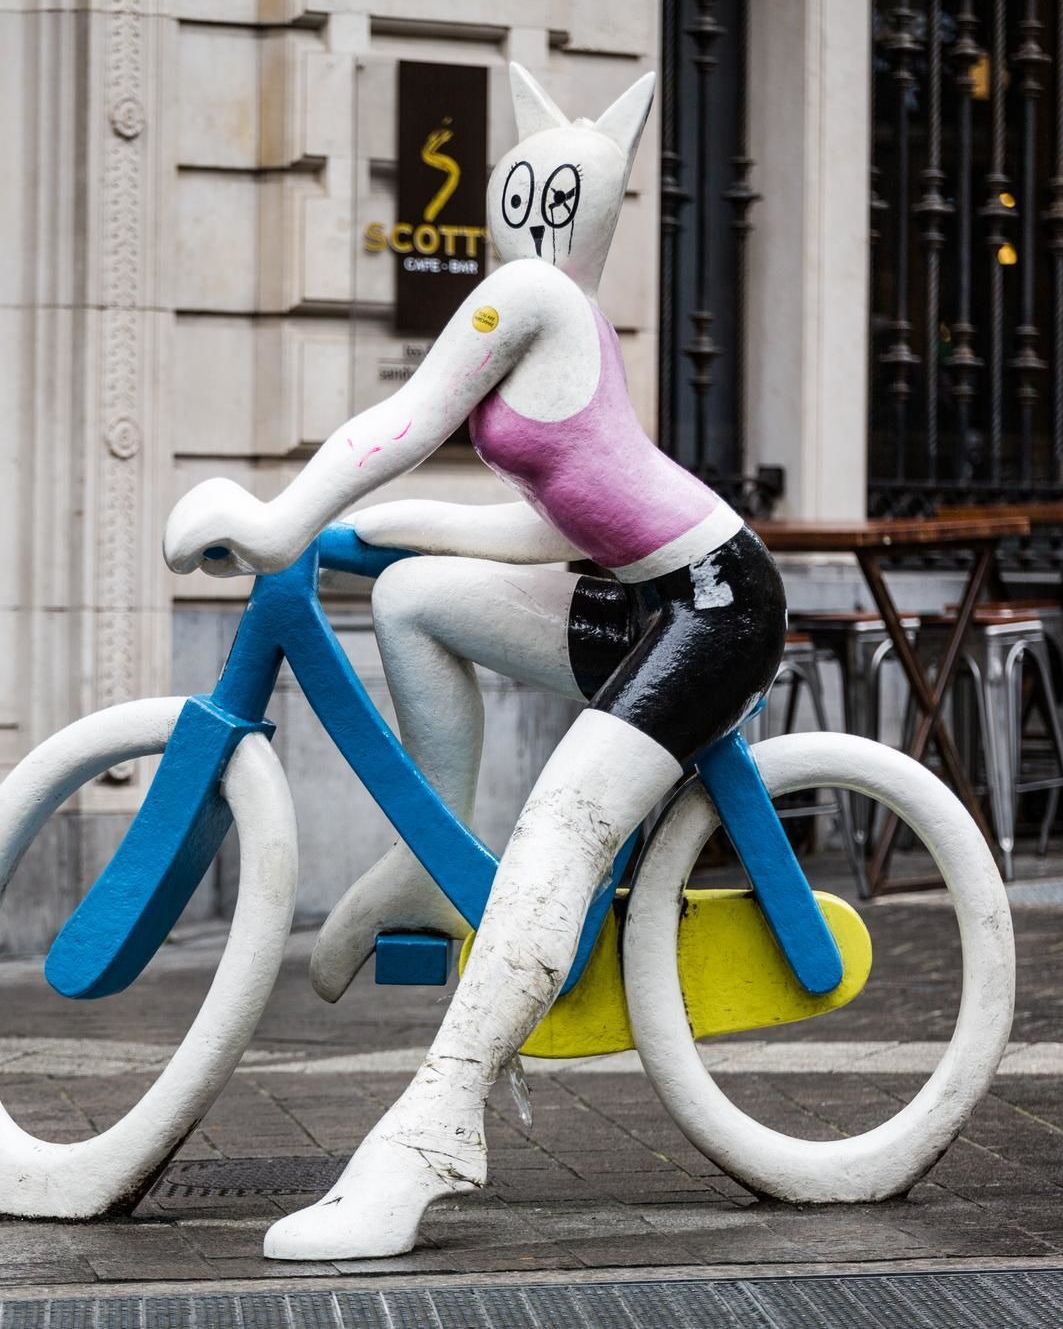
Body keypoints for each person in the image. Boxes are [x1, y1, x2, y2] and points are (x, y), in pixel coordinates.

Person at [163, 65, 786, 1260]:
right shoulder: (571, 326)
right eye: (527, 189)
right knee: (412, 598)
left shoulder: (533, 301)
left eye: (557, 194)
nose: (540, 212)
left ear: (584, 210)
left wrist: (286, 516)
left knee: (561, 827)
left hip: (711, 606)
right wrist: (399, 532)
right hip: (630, 593)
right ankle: (422, 858)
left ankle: (436, 1133)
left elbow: (402, 420)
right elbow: (565, 525)